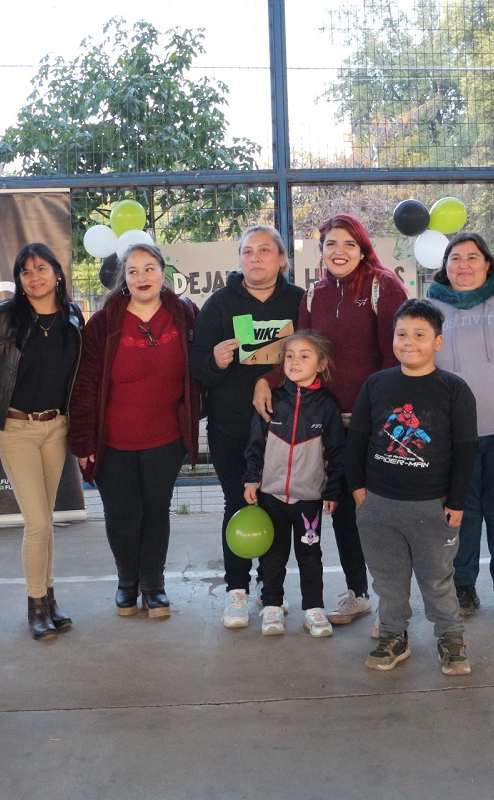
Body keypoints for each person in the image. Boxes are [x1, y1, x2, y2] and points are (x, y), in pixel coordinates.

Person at [254, 214, 408, 628]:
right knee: (338, 511)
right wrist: (267, 380)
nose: (338, 252)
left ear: (362, 248)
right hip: (322, 424)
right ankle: (359, 594)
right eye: (330, 244)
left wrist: (377, 417)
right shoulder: (312, 296)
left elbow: (394, 357)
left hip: (370, 423)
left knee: (374, 514)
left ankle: (392, 606)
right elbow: (299, 349)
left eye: (348, 244)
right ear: (320, 250)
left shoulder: (382, 285)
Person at [346, 299, 478, 675]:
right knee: (388, 580)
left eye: (419, 335)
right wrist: (358, 489)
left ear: (437, 342)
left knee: (437, 579)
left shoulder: (454, 389)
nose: (408, 342)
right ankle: (393, 635)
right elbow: (356, 440)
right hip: (379, 505)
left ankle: (450, 637)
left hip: (432, 506)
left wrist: (456, 500)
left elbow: (466, 449)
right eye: (401, 334)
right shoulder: (376, 383)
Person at [68, 243, 199, 619]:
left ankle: (154, 586)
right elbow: (86, 383)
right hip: (113, 441)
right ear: (123, 279)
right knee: (122, 514)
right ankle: (127, 581)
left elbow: (200, 370)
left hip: (166, 440)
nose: (142, 277)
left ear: (163, 272)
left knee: (156, 512)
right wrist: (83, 441)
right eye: (133, 271)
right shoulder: (105, 322)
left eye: (150, 268)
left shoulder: (185, 314)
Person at [188, 225, 305, 629]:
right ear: (239, 259)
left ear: (282, 259)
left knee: (277, 510)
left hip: (287, 430)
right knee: (237, 504)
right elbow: (197, 369)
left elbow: (313, 360)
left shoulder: (298, 302)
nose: (255, 258)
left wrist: (270, 380)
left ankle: (269, 591)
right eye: (248, 251)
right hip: (231, 429)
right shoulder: (219, 304)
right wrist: (216, 362)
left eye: (265, 250)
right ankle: (235, 592)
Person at [429, 232, 494, 621]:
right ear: (445, 265)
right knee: (461, 512)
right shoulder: (429, 305)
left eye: (473, 257)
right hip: (456, 434)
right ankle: (464, 585)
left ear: (488, 263)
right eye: (455, 258)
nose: (464, 265)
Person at [0, 242, 83, 641]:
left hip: (56, 427)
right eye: (26, 271)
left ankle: (50, 598)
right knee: (39, 522)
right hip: (16, 429)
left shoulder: (73, 317)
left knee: (46, 521)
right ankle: (35, 606)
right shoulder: (4, 319)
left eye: (41, 268)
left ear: (57, 273)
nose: (34, 277)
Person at [241, 330, 346, 637]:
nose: (295, 361)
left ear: (321, 363)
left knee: (310, 556)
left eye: (305, 356)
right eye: (289, 355)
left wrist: (332, 490)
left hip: (309, 499)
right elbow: (255, 444)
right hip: (271, 495)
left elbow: (337, 452)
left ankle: (313, 609)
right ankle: (272, 606)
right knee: (273, 556)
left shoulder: (326, 406)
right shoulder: (271, 400)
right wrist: (251, 479)